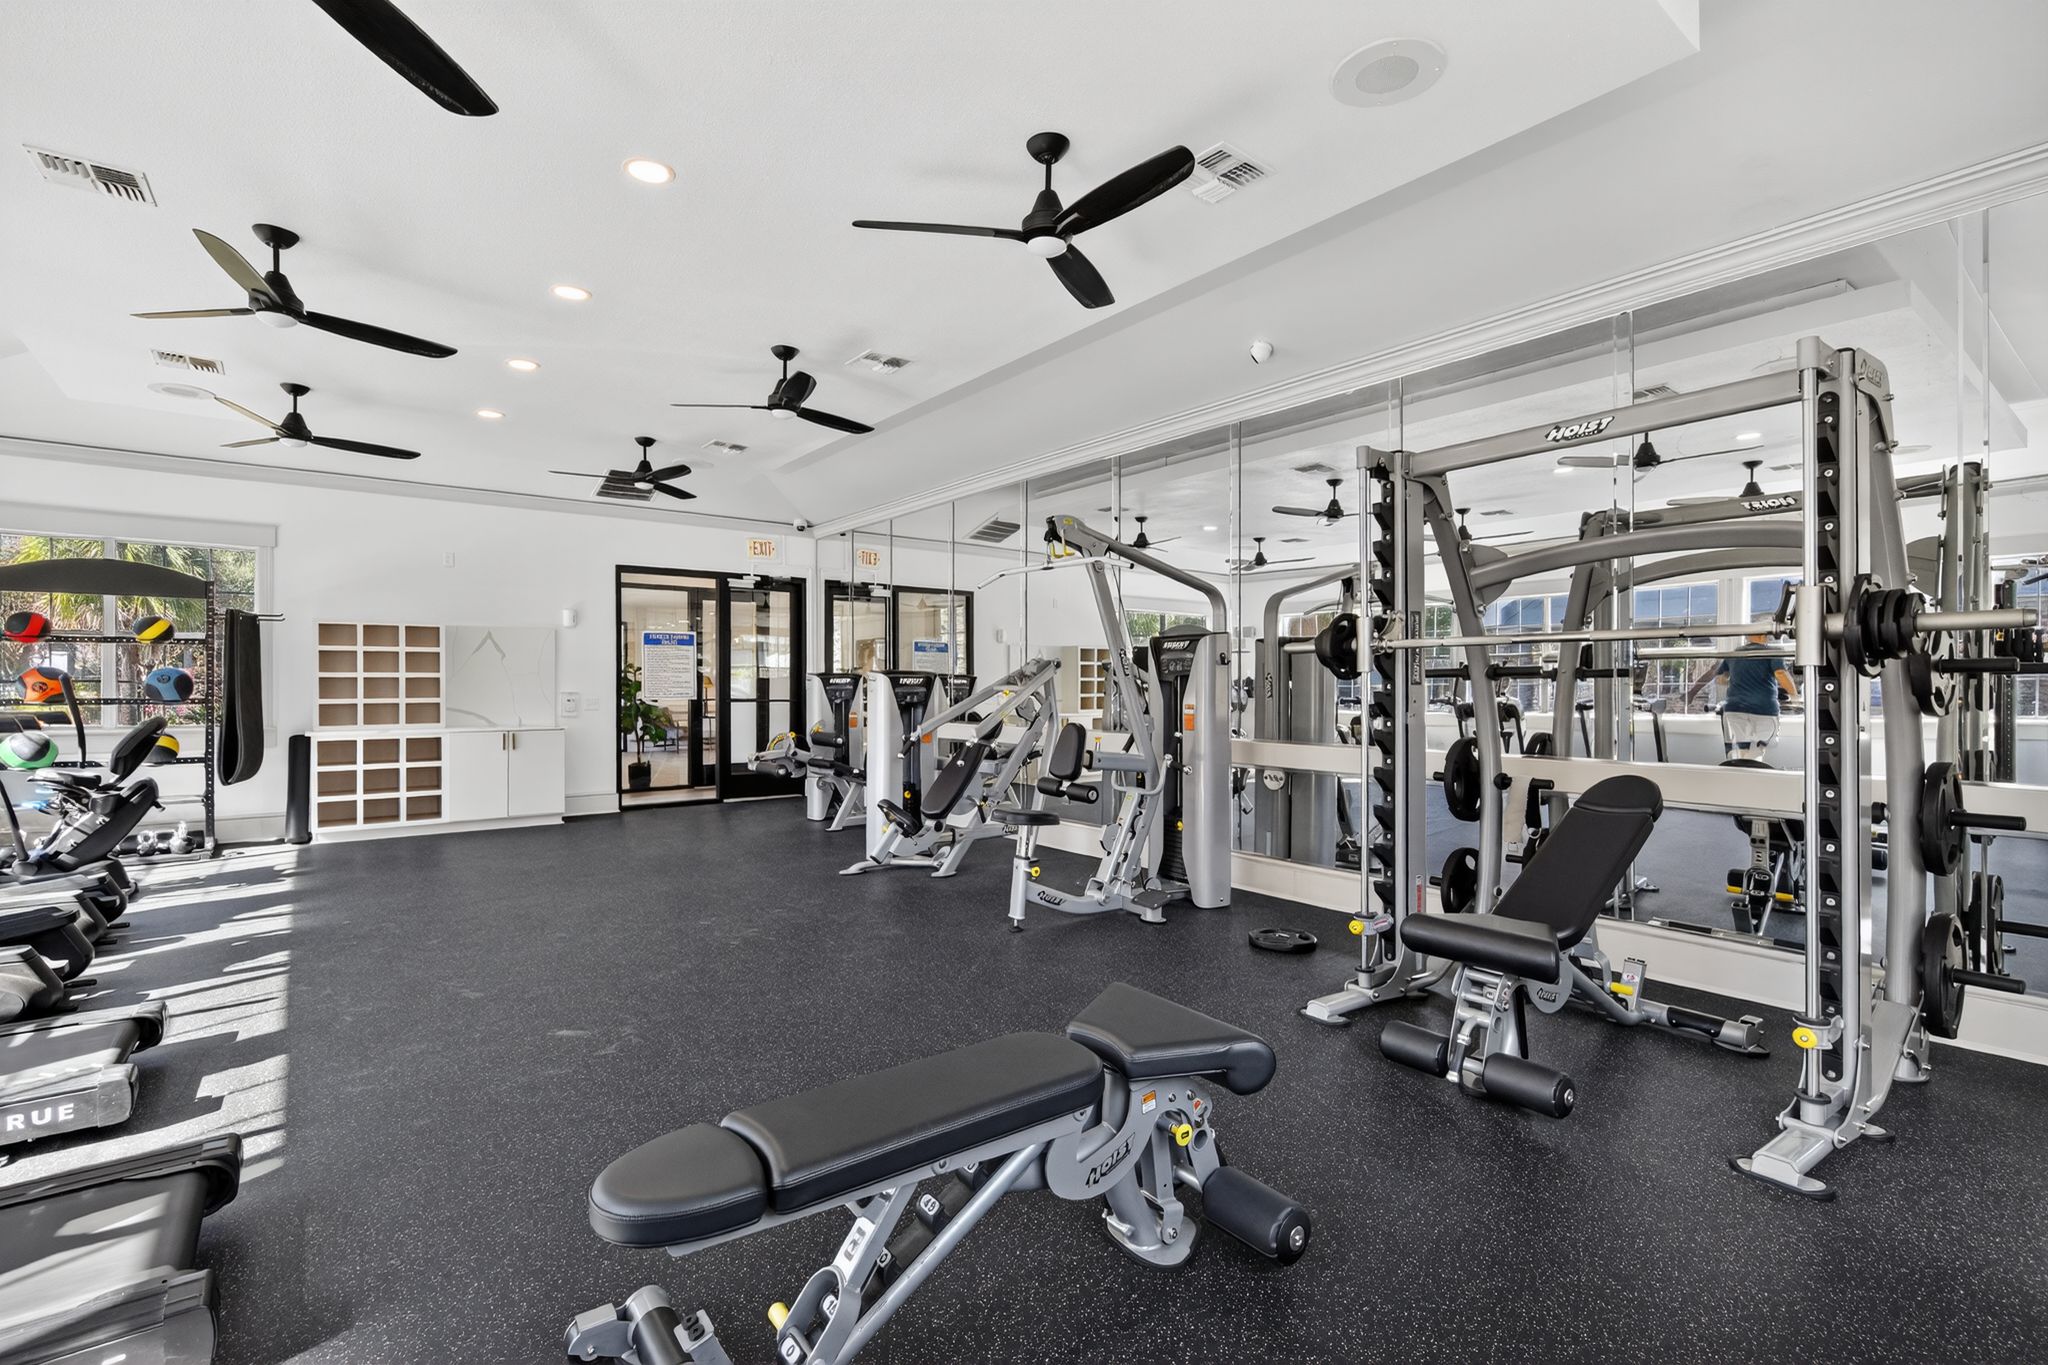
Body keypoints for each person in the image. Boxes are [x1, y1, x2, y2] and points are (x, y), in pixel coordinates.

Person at [1684, 623, 1799, 756]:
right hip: (1763, 709)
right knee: (1758, 749)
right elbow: (1780, 674)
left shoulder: (1734, 653)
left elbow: (1720, 679)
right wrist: (1795, 695)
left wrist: (1735, 677)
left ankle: (1740, 769)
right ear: (1765, 636)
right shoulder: (1772, 652)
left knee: (1740, 749)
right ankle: (1750, 771)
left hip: (1734, 709)